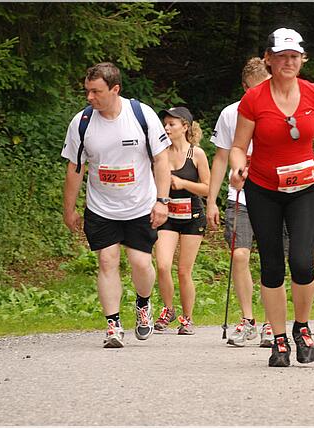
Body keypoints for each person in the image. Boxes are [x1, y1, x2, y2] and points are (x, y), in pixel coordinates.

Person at [229, 28, 314, 367]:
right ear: (269, 59)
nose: (288, 62)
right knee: (273, 265)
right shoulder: (254, 99)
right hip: (263, 188)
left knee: (304, 263)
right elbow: (238, 147)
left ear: (302, 59)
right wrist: (237, 169)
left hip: (304, 187)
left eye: (294, 56)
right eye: (281, 57)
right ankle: (279, 338)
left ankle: (302, 327)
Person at [61, 62, 171, 348]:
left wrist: (162, 200)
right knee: (107, 261)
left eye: (96, 92)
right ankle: (113, 325)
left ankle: (143, 304)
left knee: (141, 263)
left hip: (139, 206)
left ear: (115, 89)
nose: (89, 97)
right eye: (87, 91)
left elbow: (161, 160)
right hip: (101, 207)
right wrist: (69, 208)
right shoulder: (82, 122)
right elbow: (75, 167)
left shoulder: (141, 115)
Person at [207, 57, 275, 348]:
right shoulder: (231, 114)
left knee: (274, 261)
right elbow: (221, 157)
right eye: (253, 90)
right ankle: (248, 320)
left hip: (275, 195)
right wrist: (211, 200)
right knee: (240, 255)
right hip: (241, 197)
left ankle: (273, 322)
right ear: (245, 88)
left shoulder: (281, 109)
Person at [153, 107, 210, 335]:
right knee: (163, 265)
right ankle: (168, 309)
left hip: (192, 217)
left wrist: (184, 184)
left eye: (171, 124)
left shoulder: (197, 154)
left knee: (184, 270)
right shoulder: (160, 153)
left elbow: (207, 188)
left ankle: (187, 318)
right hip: (167, 215)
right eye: (165, 124)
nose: (166, 128)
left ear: (185, 127)